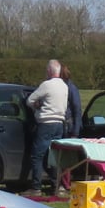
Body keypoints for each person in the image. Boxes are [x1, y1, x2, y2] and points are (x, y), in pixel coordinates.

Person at [26, 59, 70, 192]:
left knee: (37, 155)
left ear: (50, 71)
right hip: (59, 124)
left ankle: (36, 187)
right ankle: (57, 185)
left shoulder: (47, 85)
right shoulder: (64, 86)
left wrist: (37, 107)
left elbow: (30, 100)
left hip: (46, 123)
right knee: (53, 156)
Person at [61, 62, 84, 139]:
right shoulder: (68, 87)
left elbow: (77, 109)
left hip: (69, 127)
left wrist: (75, 132)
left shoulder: (71, 88)